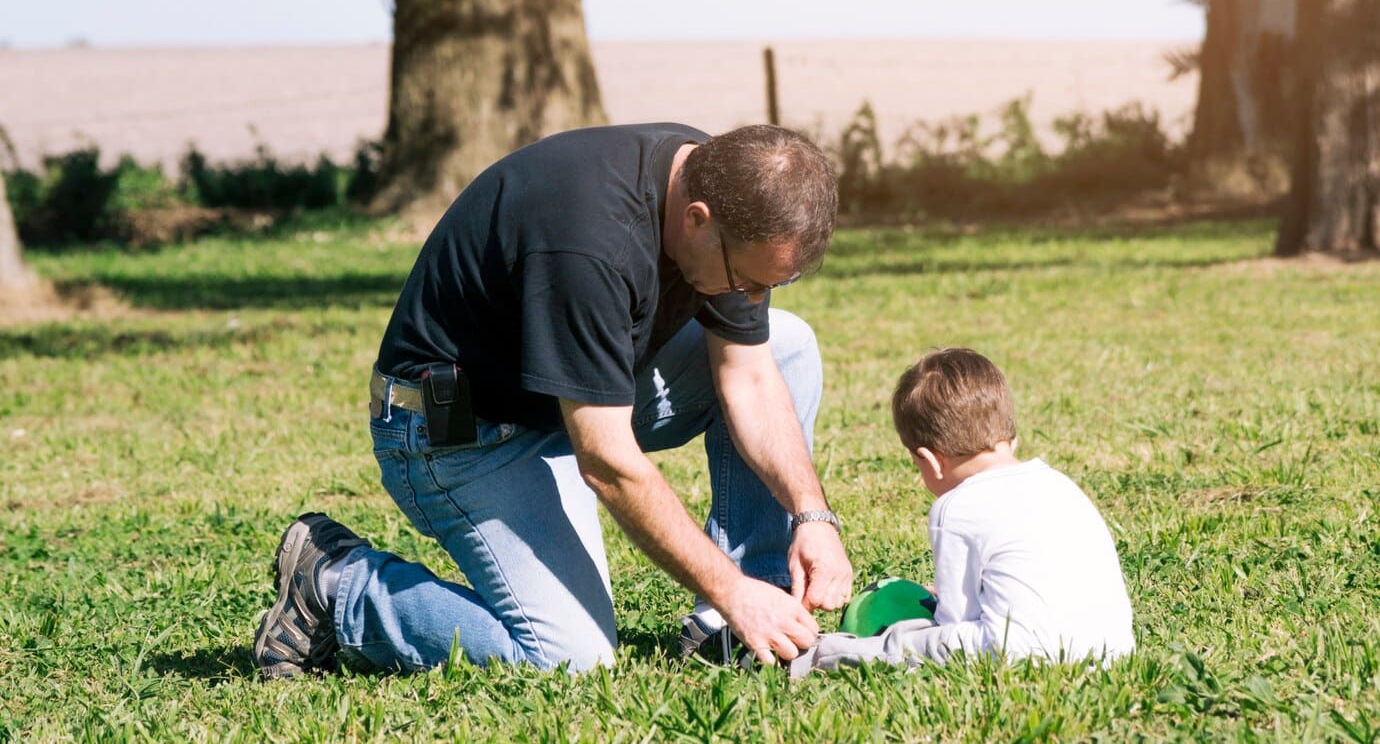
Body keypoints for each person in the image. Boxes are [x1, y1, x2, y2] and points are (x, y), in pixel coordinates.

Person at [252, 122, 853, 678]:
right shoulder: (589, 241)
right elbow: (609, 463)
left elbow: (747, 376)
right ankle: (338, 586)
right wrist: (730, 588)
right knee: (571, 660)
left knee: (788, 346)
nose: (750, 296)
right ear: (697, 219)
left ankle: (742, 621)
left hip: (563, 400)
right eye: (746, 279)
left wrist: (810, 513)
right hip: (459, 433)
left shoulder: (721, 188)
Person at [789, 347, 1134, 676]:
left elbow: (956, 619)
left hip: (1015, 655)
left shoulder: (955, 508)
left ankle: (818, 654)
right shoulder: (1059, 484)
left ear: (930, 461)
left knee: (904, 642)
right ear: (1011, 439)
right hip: (1108, 652)